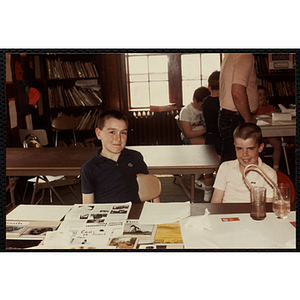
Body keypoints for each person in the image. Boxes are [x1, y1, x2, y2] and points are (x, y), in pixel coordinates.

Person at [81, 109, 160, 204]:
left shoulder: (135, 157)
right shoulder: (89, 168)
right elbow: (87, 206)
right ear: (99, 133)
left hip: (134, 213)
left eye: (123, 133)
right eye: (112, 132)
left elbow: (151, 189)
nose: (118, 138)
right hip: (107, 216)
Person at [211, 123, 277, 203]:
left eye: (250, 148)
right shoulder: (225, 168)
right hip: (227, 215)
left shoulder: (269, 174)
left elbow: (268, 207)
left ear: (260, 148)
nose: (245, 154)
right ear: (234, 147)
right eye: (239, 149)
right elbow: (215, 202)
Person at [219, 53, 259, 164]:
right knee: (240, 163)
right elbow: (237, 92)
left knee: (230, 162)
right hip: (237, 117)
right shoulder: (244, 55)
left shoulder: (230, 55)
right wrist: (248, 119)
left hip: (231, 116)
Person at [200, 71, 222, 202]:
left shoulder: (206, 102)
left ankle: (207, 192)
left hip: (210, 137)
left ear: (209, 87)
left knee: (209, 168)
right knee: (221, 167)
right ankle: (220, 191)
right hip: (222, 138)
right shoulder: (225, 101)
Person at [255, 86, 282, 171]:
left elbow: (277, 111)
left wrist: (273, 112)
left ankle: (276, 167)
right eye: (260, 94)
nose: (262, 97)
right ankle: (259, 166)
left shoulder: (268, 106)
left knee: (278, 144)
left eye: (264, 95)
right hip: (259, 134)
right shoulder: (253, 107)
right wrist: (257, 106)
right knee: (261, 145)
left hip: (269, 133)